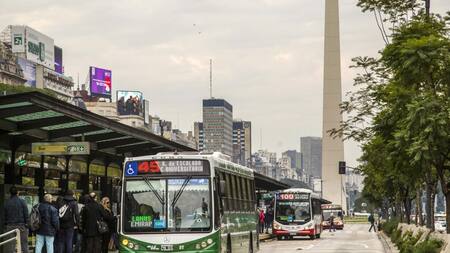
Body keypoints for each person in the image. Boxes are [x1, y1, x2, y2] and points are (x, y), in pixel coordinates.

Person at [4, 186, 29, 253]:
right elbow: (26, 214)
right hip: (21, 226)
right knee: (24, 244)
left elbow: (4, 215)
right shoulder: (22, 201)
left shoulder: (6, 202)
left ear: (10, 193)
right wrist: (27, 224)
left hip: (10, 225)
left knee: (10, 245)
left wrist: (5, 224)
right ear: (17, 193)